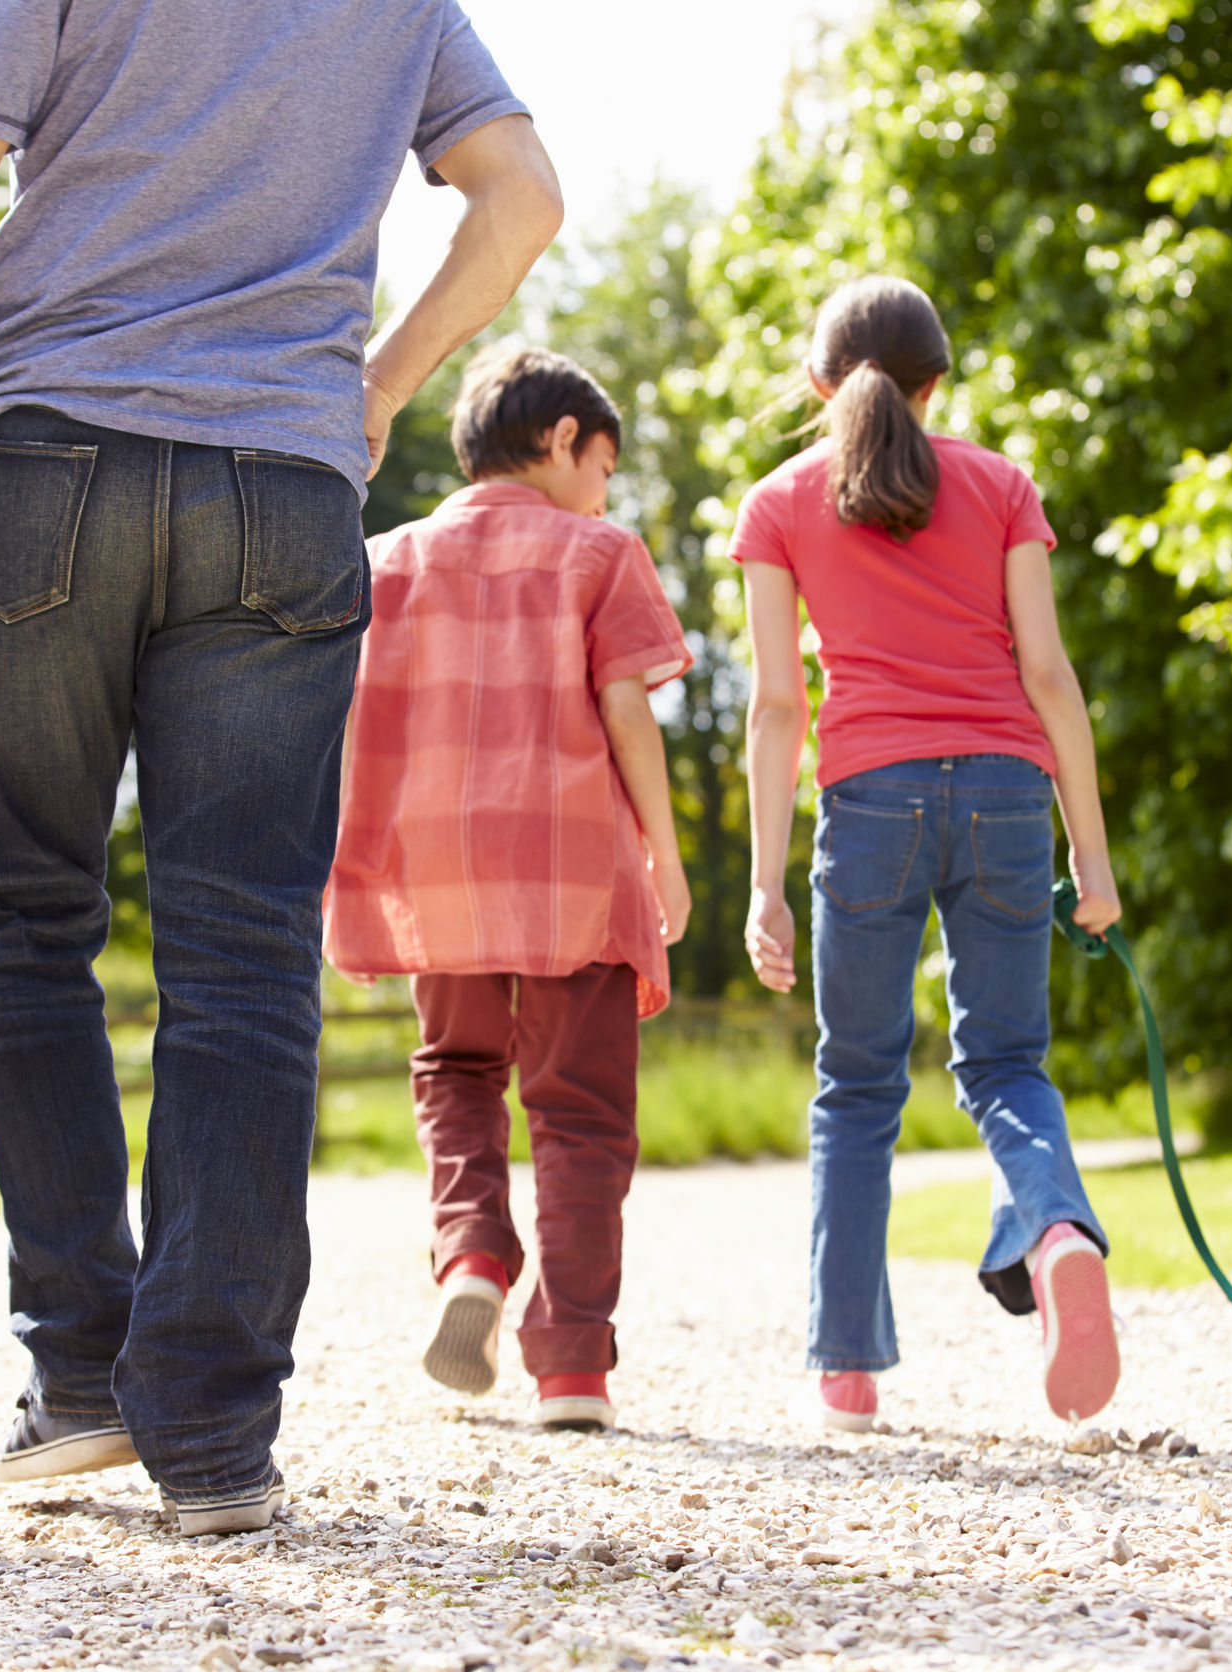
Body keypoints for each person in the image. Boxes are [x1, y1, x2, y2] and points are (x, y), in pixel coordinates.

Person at [0, 0, 563, 1532]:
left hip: (52, 472)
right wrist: (378, 385)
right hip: (283, 485)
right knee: (242, 949)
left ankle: (81, 1373)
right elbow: (525, 197)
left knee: (26, 919)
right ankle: (216, 1433)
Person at [732, 276, 1125, 1431]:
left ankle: (847, 1368)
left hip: (869, 803)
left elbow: (773, 707)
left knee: (856, 1087)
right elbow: (1049, 677)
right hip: (1006, 793)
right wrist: (1091, 860)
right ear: (937, 381)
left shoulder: (778, 502)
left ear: (817, 385)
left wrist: (763, 883)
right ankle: (1053, 1227)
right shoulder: (1002, 485)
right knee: (1007, 1064)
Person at [324, 348, 692, 1433]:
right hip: (570, 861)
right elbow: (628, 710)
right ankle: (572, 1365)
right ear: (562, 440)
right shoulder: (599, 554)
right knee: (579, 1109)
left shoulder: (387, 559)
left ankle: (472, 1253)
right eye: (605, 463)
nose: (607, 490)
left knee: (458, 1069)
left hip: (435, 868)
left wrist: (349, 853)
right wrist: (663, 853)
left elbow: (346, 720)